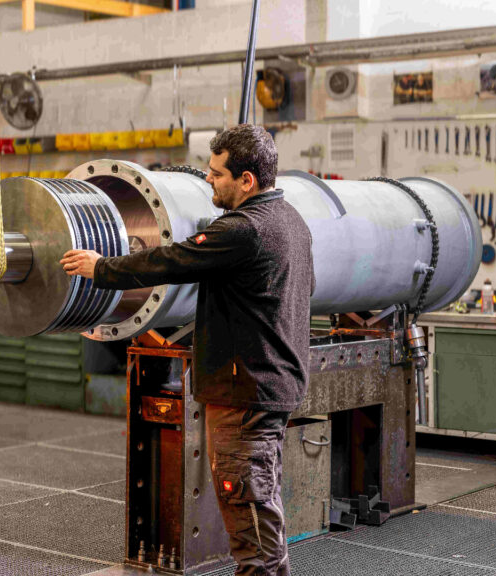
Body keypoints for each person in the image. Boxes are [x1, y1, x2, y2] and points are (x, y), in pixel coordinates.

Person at [60, 124, 314, 576]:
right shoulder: (291, 220)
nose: (208, 181)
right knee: (260, 511)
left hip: (245, 397)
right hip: (272, 387)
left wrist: (102, 268)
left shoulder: (244, 230)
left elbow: (171, 261)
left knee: (251, 528)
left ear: (247, 180)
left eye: (216, 174)